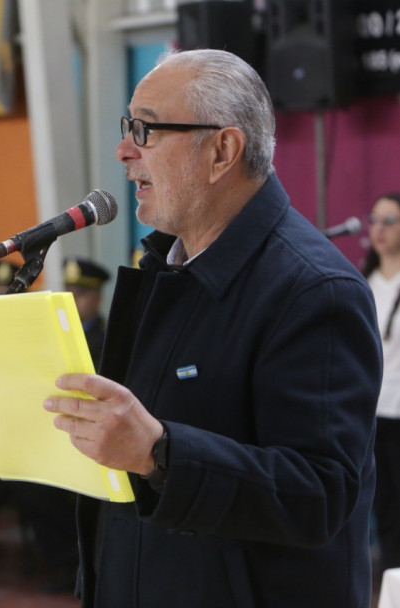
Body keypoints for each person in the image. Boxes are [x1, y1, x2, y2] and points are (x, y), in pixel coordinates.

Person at [43, 49, 381, 607]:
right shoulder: (165, 270)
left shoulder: (314, 290)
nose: (124, 150)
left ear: (223, 150)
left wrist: (160, 452)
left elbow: (320, 494)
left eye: (145, 129)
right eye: (128, 127)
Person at [362, 192, 400, 575]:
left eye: (389, 221)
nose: (379, 230)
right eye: (374, 221)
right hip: (373, 415)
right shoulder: (362, 280)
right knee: (382, 510)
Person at [62, 257, 110, 365]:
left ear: (97, 298)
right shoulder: (60, 332)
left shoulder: (106, 341)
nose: (72, 299)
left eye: (80, 293)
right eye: (68, 293)